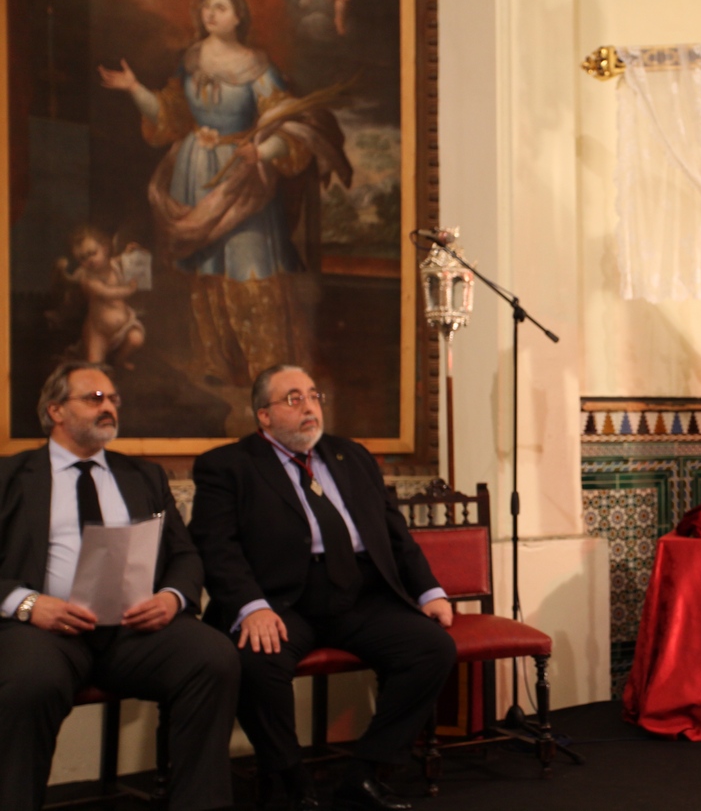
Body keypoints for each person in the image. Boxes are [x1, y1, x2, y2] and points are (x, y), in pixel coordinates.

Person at [189, 364, 456, 811]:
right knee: (257, 660)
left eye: (313, 396)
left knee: (432, 649)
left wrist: (430, 591)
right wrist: (250, 606)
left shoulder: (350, 455)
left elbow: (394, 532)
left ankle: (367, 772)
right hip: (281, 599)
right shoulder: (228, 466)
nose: (309, 407)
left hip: (358, 593)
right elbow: (216, 547)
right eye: (293, 398)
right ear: (263, 416)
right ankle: (291, 781)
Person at [0, 362, 239, 811]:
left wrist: (171, 599)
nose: (108, 407)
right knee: (31, 680)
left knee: (212, 656)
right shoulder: (10, 477)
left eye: (113, 399)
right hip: (45, 631)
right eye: (95, 399)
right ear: (55, 410)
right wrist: (29, 604)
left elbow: (185, 555)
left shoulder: (142, 477)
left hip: (133, 628)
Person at [99, 0, 351, 388]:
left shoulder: (257, 66)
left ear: (238, 17)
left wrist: (263, 151)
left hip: (241, 175)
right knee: (208, 272)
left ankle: (267, 371)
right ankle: (216, 361)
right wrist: (134, 89)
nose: (209, 14)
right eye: (205, 8)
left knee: (249, 268)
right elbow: (170, 116)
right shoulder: (191, 60)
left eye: (220, 7)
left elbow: (286, 121)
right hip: (194, 173)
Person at [56, 225, 146, 369]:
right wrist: (129, 289)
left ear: (104, 248)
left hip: (124, 326)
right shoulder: (88, 279)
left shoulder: (112, 264)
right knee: (94, 365)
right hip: (99, 332)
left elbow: (120, 259)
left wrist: (128, 252)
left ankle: (119, 360)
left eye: (92, 253)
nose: (89, 260)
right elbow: (107, 293)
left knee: (136, 339)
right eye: (82, 258)